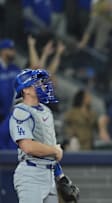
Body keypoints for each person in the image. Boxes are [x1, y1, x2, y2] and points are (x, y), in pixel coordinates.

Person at [9, 69, 63, 203]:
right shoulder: (20, 112)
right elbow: (28, 146)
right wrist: (55, 150)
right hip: (31, 174)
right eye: (37, 83)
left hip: (49, 173)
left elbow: (49, 147)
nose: (42, 85)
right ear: (26, 89)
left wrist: (60, 175)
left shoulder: (46, 111)